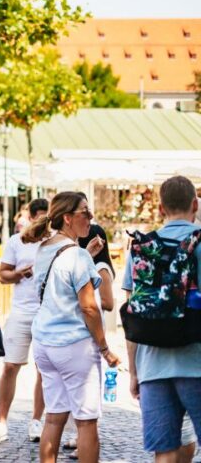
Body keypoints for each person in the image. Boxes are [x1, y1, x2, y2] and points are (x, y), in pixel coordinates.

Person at [21, 192, 121, 463]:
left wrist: (85, 255)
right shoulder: (76, 255)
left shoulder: (44, 249)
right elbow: (89, 307)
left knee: (53, 418)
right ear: (67, 218)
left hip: (45, 343)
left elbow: (59, 280)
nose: (90, 218)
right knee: (86, 422)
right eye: (85, 213)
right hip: (74, 346)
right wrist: (104, 348)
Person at [122, 176, 201, 462]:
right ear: (195, 204)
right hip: (197, 363)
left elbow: (133, 312)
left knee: (164, 452)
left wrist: (133, 371)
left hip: (153, 365)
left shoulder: (142, 247)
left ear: (159, 208)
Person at [0, 198, 49, 445]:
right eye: (40, 216)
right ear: (30, 217)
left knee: (44, 369)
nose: (44, 221)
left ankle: (36, 420)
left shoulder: (54, 242)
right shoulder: (16, 241)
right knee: (11, 365)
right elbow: (2, 276)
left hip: (47, 313)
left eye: (47, 216)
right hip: (21, 311)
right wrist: (20, 273)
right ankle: (1, 422)